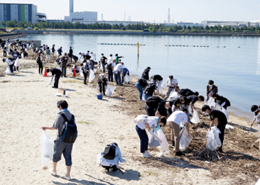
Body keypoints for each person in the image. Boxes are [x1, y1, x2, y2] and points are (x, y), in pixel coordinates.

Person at [41, 100, 75, 180]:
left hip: (61, 139)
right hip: (70, 140)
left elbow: (55, 127)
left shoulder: (59, 115)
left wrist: (46, 127)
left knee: (56, 155)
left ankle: (54, 170)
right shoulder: (72, 115)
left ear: (60, 107)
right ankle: (68, 175)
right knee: (68, 156)